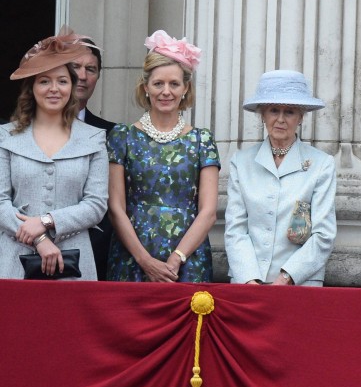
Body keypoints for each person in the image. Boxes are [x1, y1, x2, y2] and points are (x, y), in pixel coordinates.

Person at [106, 31, 220, 282]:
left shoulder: (201, 140)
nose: (166, 91)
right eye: (158, 83)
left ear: (185, 88)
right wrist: (144, 261)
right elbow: (116, 207)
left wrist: (177, 257)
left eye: (174, 84)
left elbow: (209, 211)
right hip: (132, 257)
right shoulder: (123, 136)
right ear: (146, 87)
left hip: (189, 259)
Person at [0, 32, 108, 279]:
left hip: (75, 260)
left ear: (71, 87)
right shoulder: (5, 137)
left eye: (62, 81)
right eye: (44, 81)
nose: (54, 89)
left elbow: (96, 204)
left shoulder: (93, 138)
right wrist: (39, 239)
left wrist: (48, 221)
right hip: (13, 260)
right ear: (32, 87)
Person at [224, 71, 337, 286]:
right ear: (263, 115)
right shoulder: (242, 162)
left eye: (290, 111)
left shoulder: (321, 164)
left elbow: (324, 235)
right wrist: (249, 280)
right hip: (247, 283)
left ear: (301, 117)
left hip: (299, 283)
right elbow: (235, 229)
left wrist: (286, 278)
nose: (281, 119)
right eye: (274, 110)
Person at [67, 30, 116, 277]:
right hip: (27, 252)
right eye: (75, 67)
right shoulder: (16, 133)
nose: (82, 76)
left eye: (91, 69)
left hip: (93, 259)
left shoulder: (112, 134)